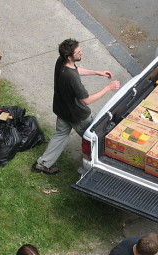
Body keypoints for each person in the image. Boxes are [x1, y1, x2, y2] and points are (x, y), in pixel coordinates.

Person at [32, 38, 121, 175]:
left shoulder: (61, 62)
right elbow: (87, 100)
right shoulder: (71, 78)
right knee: (94, 141)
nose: (81, 53)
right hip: (78, 116)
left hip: (62, 111)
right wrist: (109, 88)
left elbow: (76, 69)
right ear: (69, 56)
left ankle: (42, 164)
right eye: (78, 52)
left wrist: (97, 72)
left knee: (60, 135)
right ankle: (96, 168)